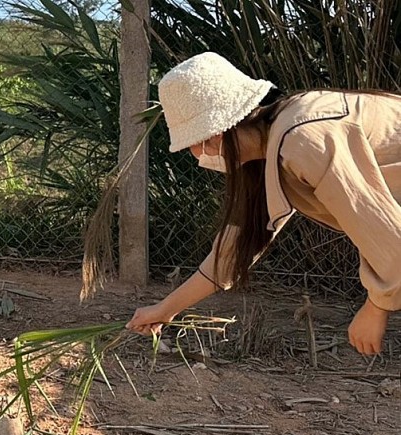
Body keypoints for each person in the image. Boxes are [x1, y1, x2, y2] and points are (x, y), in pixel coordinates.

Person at [126, 52, 401, 356]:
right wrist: (166, 309)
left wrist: (377, 306)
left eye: (196, 145)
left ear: (217, 134)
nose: (199, 156)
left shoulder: (303, 139)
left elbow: (385, 230)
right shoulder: (272, 147)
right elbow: (231, 251)